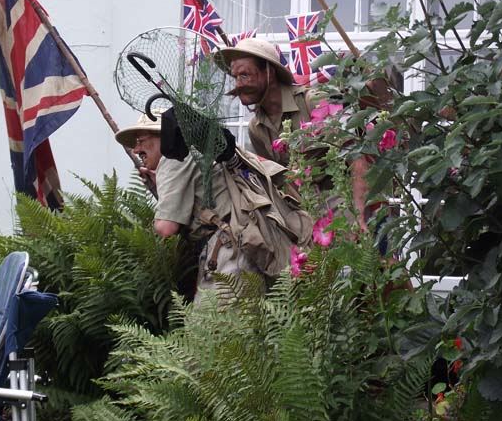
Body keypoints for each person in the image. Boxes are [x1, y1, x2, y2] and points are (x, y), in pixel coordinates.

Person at [115, 110, 271, 301]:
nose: (135, 150)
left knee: (214, 326)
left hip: (228, 253)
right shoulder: (192, 153)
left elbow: (166, 228)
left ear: (162, 138)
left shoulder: (172, 157)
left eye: (140, 141)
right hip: (239, 244)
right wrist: (162, 187)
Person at [215, 38, 370, 229]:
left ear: (269, 72)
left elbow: (357, 160)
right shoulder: (257, 128)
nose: (238, 84)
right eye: (235, 77)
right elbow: (275, 183)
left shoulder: (313, 101)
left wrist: (360, 217)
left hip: (345, 210)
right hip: (304, 221)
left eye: (245, 75)